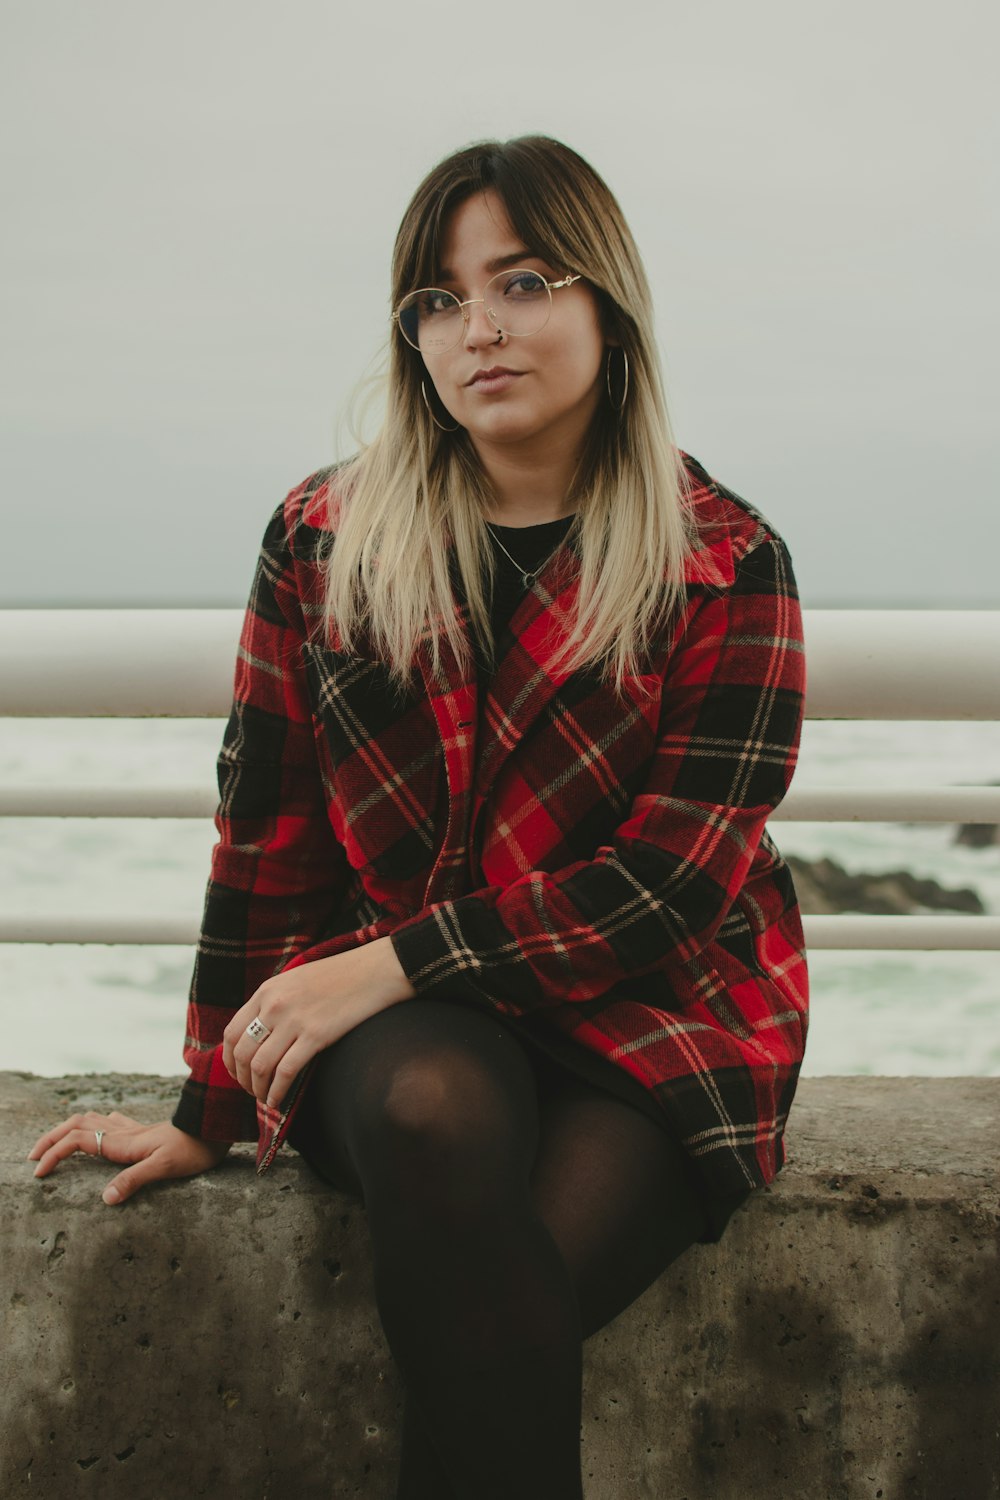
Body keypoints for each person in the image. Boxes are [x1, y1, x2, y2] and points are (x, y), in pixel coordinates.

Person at [29, 136, 808, 1498]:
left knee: (489, 1330)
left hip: (651, 1005)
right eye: (436, 301)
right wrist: (209, 1103)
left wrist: (382, 964)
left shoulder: (722, 557)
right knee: (439, 1124)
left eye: (521, 282)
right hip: (408, 1036)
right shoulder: (327, 538)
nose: (476, 329)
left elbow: (667, 887)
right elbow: (268, 827)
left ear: (604, 307)